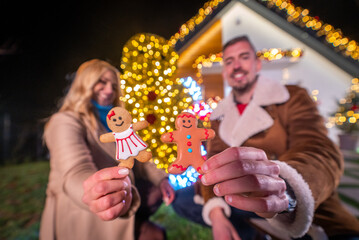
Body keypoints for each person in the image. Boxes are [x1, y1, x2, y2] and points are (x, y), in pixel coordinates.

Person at [172, 36, 359, 240]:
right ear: (225, 71)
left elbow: (318, 149)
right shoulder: (219, 115)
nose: (236, 66)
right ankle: (253, 233)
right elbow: (212, 163)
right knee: (181, 199)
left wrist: (286, 188)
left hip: (305, 205)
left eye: (243, 57)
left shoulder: (290, 97)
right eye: (229, 61)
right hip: (243, 201)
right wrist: (216, 214)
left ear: (257, 64)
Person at [39, 59, 175, 240]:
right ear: (84, 83)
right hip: (83, 213)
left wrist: (161, 179)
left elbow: (140, 155)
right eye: (101, 82)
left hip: (124, 198)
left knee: (157, 228)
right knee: (155, 235)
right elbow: (76, 170)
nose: (109, 90)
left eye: (113, 85)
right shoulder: (65, 121)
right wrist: (95, 193)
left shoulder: (120, 122)